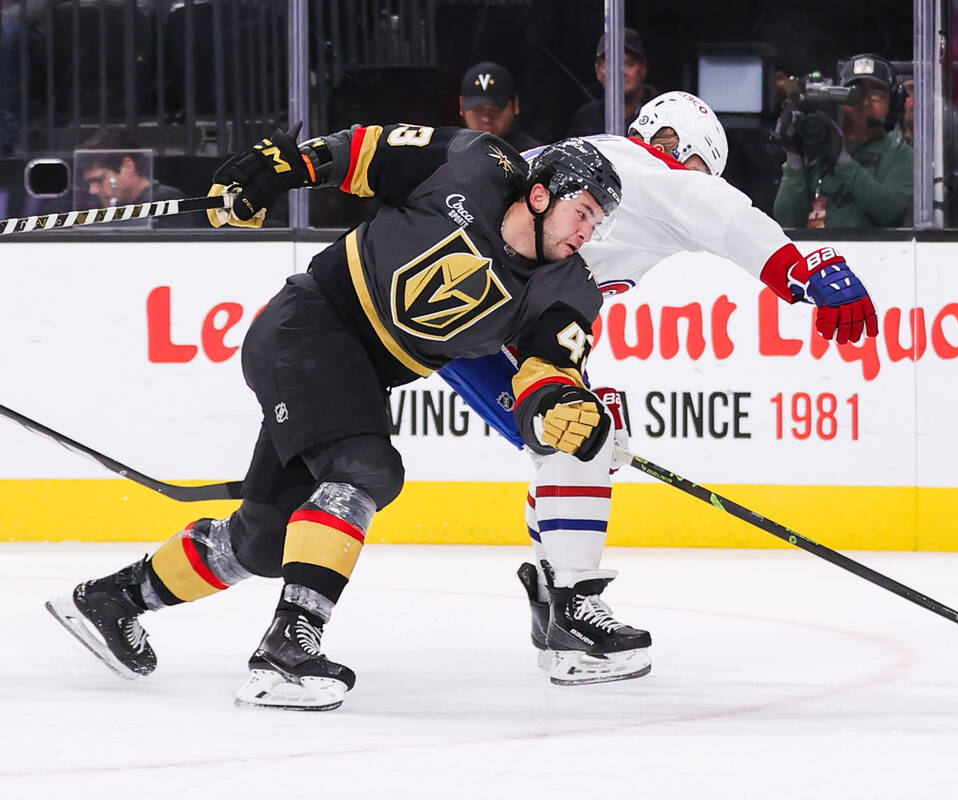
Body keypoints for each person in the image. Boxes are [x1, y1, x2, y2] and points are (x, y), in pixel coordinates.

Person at [46, 124, 623, 711]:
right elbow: (361, 152)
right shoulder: (474, 164)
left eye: (597, 222)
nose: (587, 231)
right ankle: (288, 652)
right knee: (366, 469)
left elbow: (548, 368)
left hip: (357, 377)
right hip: (306, 324)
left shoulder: (570, 288)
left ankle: (114, 598)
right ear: (541, 194)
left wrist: (559, 405)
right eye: (583, 212)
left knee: (267, 540)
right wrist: (274, 169)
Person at [439, 91, 879, 686]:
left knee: (570, 434)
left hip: (455, 306)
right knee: (581, 434)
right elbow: (719, 213)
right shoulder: (639, 168)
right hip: (477, 308)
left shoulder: (590, 171)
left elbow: (548, 304)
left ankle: (553, 598)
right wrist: (804, 272)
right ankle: (569, 610)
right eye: (700, 170)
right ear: (682, 151)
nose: (696, 184)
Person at [773, 54, 914, 229]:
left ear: (893, 104)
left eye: (877, 94)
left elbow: (890, 211)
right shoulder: (816, 149)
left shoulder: (903, 157)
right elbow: (786, 222)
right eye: (853, 93)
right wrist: (794, 160)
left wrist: (842, 159)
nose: (865, 102)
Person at [76, 128, 190, 228]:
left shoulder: (168, 202)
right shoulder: (105, 209)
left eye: (100, 180)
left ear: (128, 166)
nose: (92, 190)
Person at [567, 28, 657, 137]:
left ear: (643, 67)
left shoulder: (662, 115)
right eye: (610, 65)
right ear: (598, 71)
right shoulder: (586, 119)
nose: (619, 72)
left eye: (627, 63)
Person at [459, 60, 541, 151]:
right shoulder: (449, 159)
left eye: (495, 110)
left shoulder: (535, 158)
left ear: (515, 105)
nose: (486, 118)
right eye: (477, 110)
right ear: (461, 105)